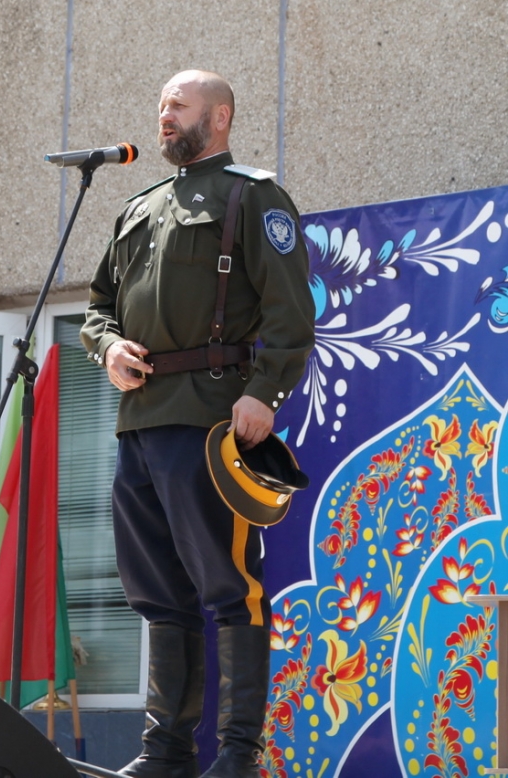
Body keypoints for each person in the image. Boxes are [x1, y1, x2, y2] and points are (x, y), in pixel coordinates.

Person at [80, 70, 315, 778]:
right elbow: (98, 305)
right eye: (160, 105)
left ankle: (238, 753)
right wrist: (107, 346)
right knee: (159, 594)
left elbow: (290, 311)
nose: (164, 115)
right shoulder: (138, 206)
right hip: (139, 423)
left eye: (178, 105)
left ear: (219, 117)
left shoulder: (251, 195)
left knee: (230, 586)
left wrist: (265, 393)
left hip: (211, 419)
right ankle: (167, 752)